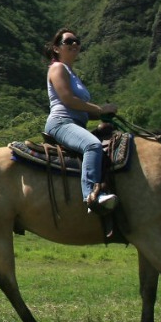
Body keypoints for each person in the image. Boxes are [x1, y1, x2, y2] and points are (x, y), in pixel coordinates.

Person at [45, 29, 118, 211]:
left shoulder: (72, 73)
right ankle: (91, 196)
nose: (75, 44)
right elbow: (68, 100)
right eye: (69, 41)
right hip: (61, 122)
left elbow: (83, 109)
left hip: (76, 124)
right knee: (92, 145)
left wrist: (103, 114)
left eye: (77, 41)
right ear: (56, 48)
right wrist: (100, 109)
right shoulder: (57, 68)